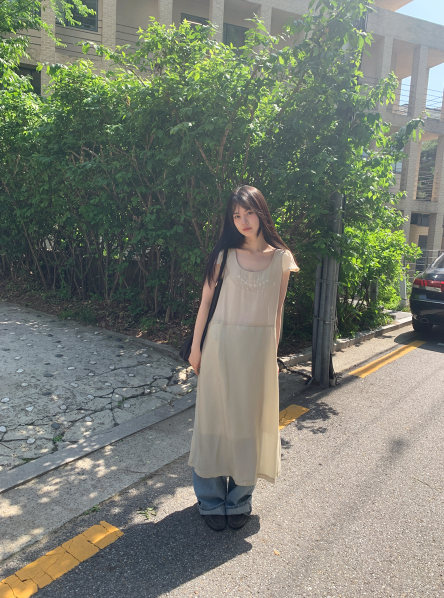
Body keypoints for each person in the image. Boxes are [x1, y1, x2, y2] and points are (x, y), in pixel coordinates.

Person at [188, 185, 299, 532]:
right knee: (213, 420)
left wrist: (273, 354)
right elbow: (206, 303)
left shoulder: (281, 259)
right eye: (236, 215)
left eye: (248, 212)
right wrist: (196, 348)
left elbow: (277, 311)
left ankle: (239, 500)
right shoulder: (224, 255)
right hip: (219, 346)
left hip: (257, 352)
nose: (243, 220)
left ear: (261, 212)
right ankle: (210, 500)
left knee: (248, 423)